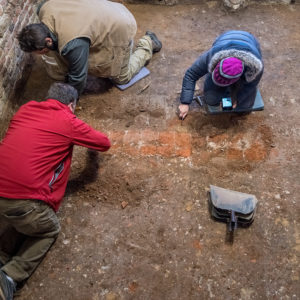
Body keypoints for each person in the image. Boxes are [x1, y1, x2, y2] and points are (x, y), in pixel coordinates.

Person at [0, 83, 111, 300]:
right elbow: (103, 143)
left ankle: (2, 255)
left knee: (19, 220)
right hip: (24, 202)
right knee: (48, 228)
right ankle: (10, 277)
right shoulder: (68, 120)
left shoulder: (26, 109)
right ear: (71, 105)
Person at [17, 0, 162, 95]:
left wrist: (69, 100)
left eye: (40, 51)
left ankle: (148, 42)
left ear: (47, 40)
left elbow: (79, 77)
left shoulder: (73, 43)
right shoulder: (43, 8)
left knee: (121, 77)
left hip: (121, 24)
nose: (39, 54)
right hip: (104, 11)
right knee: (63, 53)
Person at [178, 30, 264, 119]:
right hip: (224, 39)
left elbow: (249, 87)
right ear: (216, 66)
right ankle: (220, 87)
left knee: (244, 106)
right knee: (211, 100)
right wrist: (185, 102)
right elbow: (191, 74)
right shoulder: (212, 56)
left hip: (251, 44)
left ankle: (239, 102)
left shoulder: (255, 68)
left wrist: (236, 100)